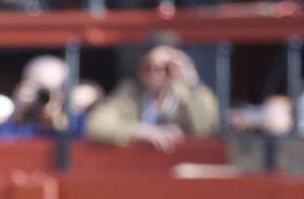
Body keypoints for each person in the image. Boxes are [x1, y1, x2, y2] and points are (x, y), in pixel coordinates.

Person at [84, 41, 221, 149]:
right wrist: (142, 131)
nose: (155, 74)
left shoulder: (194, 94)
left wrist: (190, 79)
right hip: (139, 170)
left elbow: (207, 130)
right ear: (138, 70)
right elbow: (95, 126)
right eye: (147, 68)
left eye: (165, 68)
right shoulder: (129, 92)